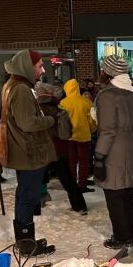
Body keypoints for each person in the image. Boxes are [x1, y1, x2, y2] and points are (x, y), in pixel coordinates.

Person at [0, 49, 57, 256]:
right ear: (27, 66)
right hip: (28, 152)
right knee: (28, 196)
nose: (42, 70)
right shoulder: (22, 89)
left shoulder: (12, 86)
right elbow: (28, 122)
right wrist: (50, 119)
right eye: (39, 66)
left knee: (25, 195)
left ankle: (26, 240)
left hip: (23, 151)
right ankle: (26, 244)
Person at [94, 55, 133, 249]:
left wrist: (99, 157)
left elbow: (107, 131)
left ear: (107, 72)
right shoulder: (132, 94)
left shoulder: (108, 96)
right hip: (131, 151)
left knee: (115, 197)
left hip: (113, 153)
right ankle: (130, 234)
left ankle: (121, 237)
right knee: (128, 196)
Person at [34, 82, 87, 215]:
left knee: (35, 180)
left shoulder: (36, 110)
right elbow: (67, 131)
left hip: (43, 150)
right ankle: (79, 206)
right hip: (60, 149)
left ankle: (35, 209)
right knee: (68, 180)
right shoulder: (59, 107)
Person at [59, 78, 96, 192]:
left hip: (68, 138)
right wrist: (91, 130)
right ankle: (82, 184)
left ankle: (72, 184)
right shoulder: (86, 102)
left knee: (71, 162)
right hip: (84, 136)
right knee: (84, 162)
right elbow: (92, 120)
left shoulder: (63, 103)